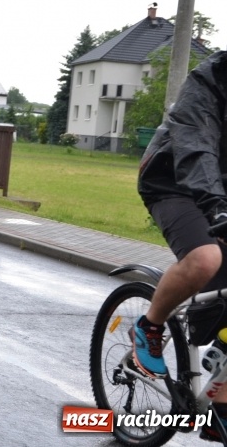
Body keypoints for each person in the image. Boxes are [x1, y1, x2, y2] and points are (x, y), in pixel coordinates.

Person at [135, 50, 227, 440]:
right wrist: (217, 207)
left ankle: (220, 403)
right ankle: (150, 326)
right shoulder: (209, 81)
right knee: (206, 258)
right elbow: (196, 147)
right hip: (174, 181)